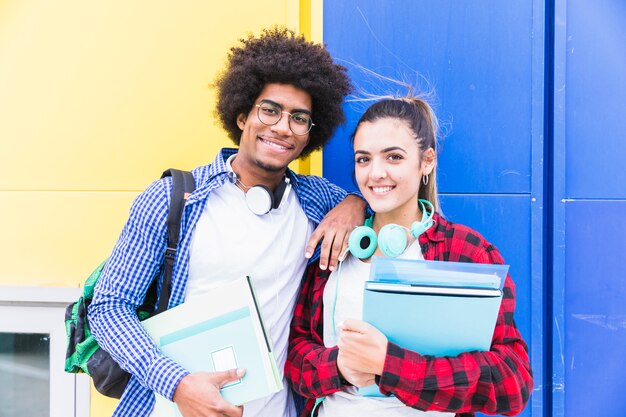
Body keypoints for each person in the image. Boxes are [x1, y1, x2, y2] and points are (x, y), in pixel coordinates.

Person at [88, 27, 366, 417]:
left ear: (309, 136)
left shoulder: (316, 202)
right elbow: (108, 308)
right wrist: (178, 384)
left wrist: (354, 202)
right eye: (269, 110)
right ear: (241, 115)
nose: (283, 127)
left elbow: (384, 202)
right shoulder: (174, 199)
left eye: (299, 118)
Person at [285, 95, 533, 417]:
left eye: (394, 157)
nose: (375, 173)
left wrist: (389, 365)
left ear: (426, 161)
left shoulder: (466, 253)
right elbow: (295, 359)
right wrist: (340, 366)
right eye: (363, 159)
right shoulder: (338, 246)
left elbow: (512, 384)